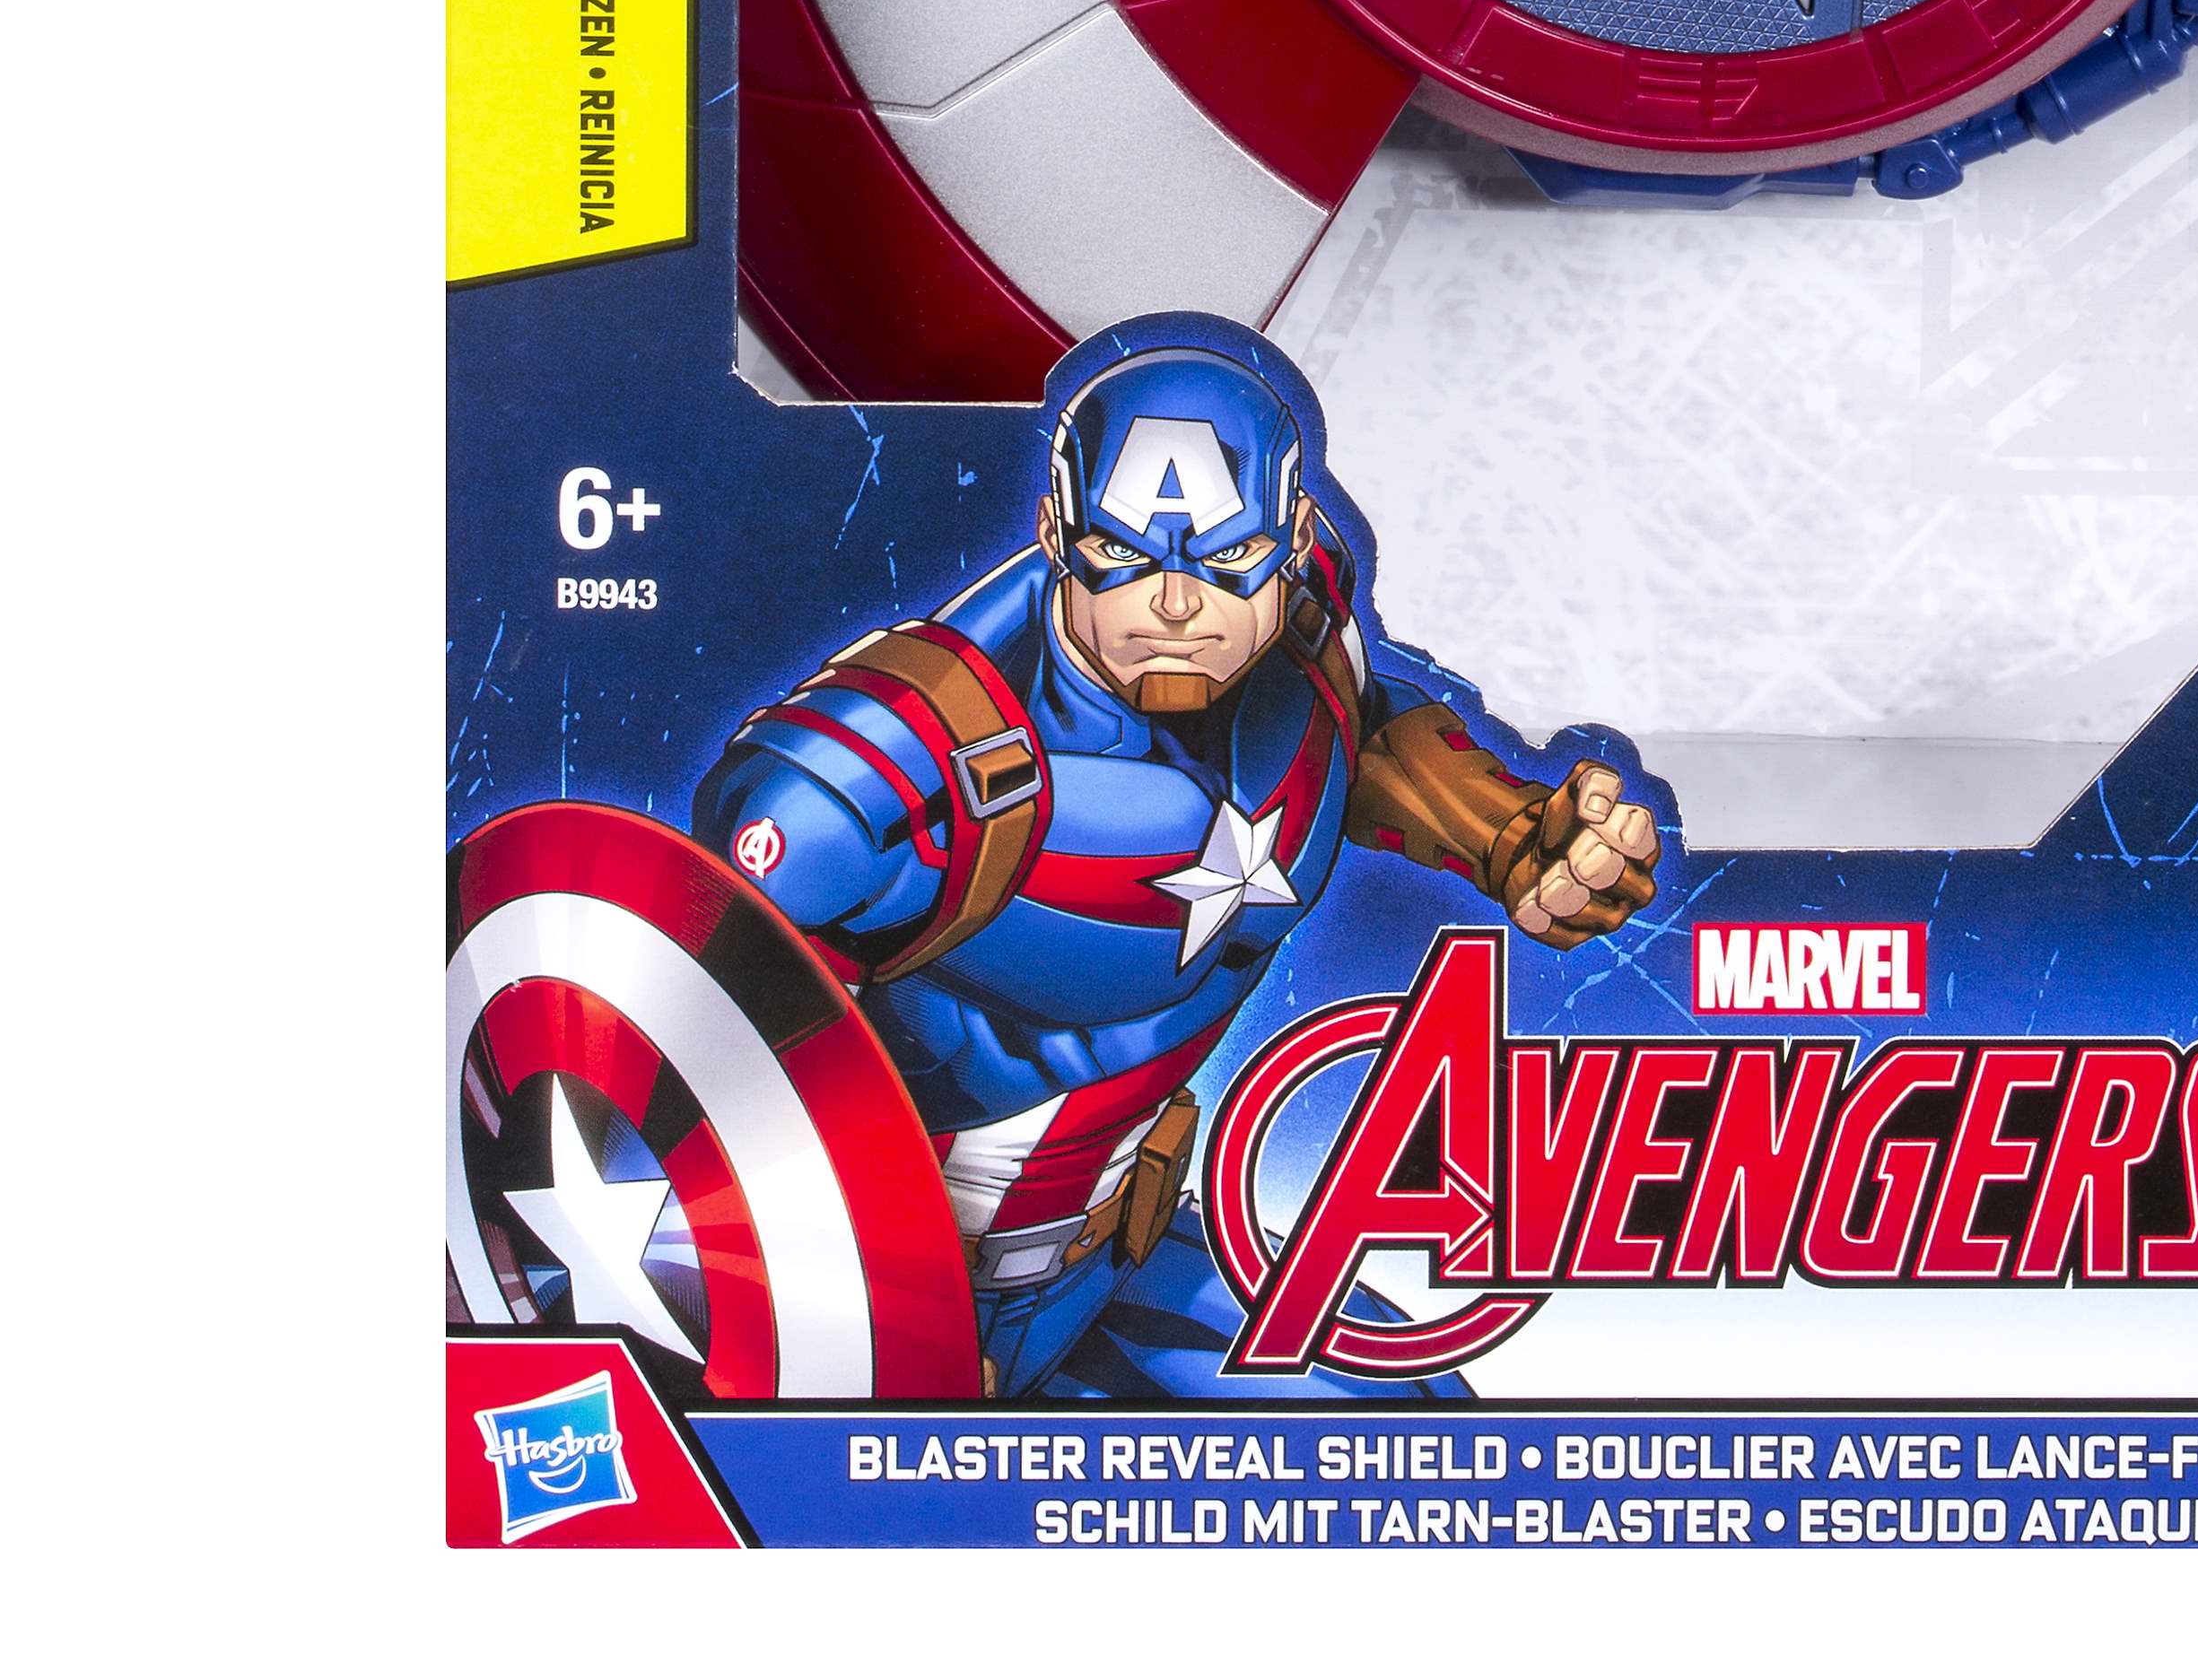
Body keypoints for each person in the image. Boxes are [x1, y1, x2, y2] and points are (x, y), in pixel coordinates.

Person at [689, 313, 1661, 1398]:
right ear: (1057, 531)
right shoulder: (895, 769)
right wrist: (846, 1322)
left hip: (1112, 1266)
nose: (1177, 608)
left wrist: (1512, 836)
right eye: (1124, 557)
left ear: (1291, 537)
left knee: (1418, 1427)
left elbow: (1364, 726)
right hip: (874, 1319)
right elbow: (670, 1027)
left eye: (1228, 559)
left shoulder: (1300, 628)